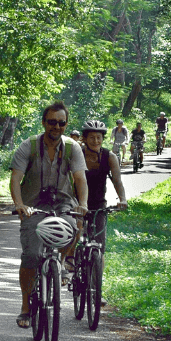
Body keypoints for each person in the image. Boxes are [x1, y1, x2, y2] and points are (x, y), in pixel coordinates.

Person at [10, 101, 88, 328]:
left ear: (66, 124)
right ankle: (25, 306)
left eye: (61, 123)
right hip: (33, 205)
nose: (57, 127)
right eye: (52, 122)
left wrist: (82, 204)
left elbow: (80, 179)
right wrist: (19, 204)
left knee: (73, 227)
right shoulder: (29, 146)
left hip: (63, 203)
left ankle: (60, 263)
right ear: (44, 122)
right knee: (31, 255)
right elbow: (15, 179)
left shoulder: (72, 148)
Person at [65, 120, 128, 300]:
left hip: (99, 204)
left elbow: (117, 181)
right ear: (84, 139)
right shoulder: (76, 155)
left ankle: (96, 290)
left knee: (99, 248)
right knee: (76, 230)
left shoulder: (109, 157)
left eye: (99, 137)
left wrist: (122, 199)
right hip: (76, 203)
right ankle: (70, 258)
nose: (95, 141)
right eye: (91, 137)